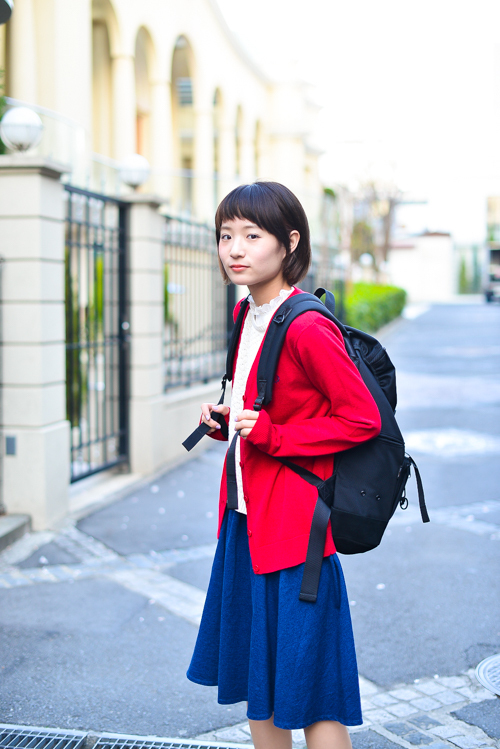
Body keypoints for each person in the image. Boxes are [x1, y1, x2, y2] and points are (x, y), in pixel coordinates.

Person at [186, 182, 381, 749]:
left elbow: (360, 419)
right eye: (226, 236)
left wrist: (270, 433)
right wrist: (229, 419)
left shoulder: (307, 324)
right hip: (247, 523)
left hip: (298, 532)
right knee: (256, 678)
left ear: (289, 242)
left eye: (252, 235)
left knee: (315, 690)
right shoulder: (246, 312)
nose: (234, 249)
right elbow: (266, 401)